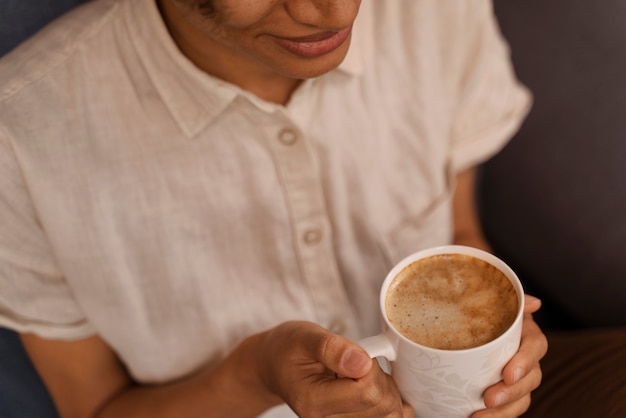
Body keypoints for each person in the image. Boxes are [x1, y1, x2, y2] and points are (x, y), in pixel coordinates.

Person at [0, 0, 547, 417]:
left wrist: (498, 353)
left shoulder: (432, 14)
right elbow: (96, 408)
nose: (335, 12)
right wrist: (257, 376)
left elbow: (460, 233)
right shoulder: (22, 139)